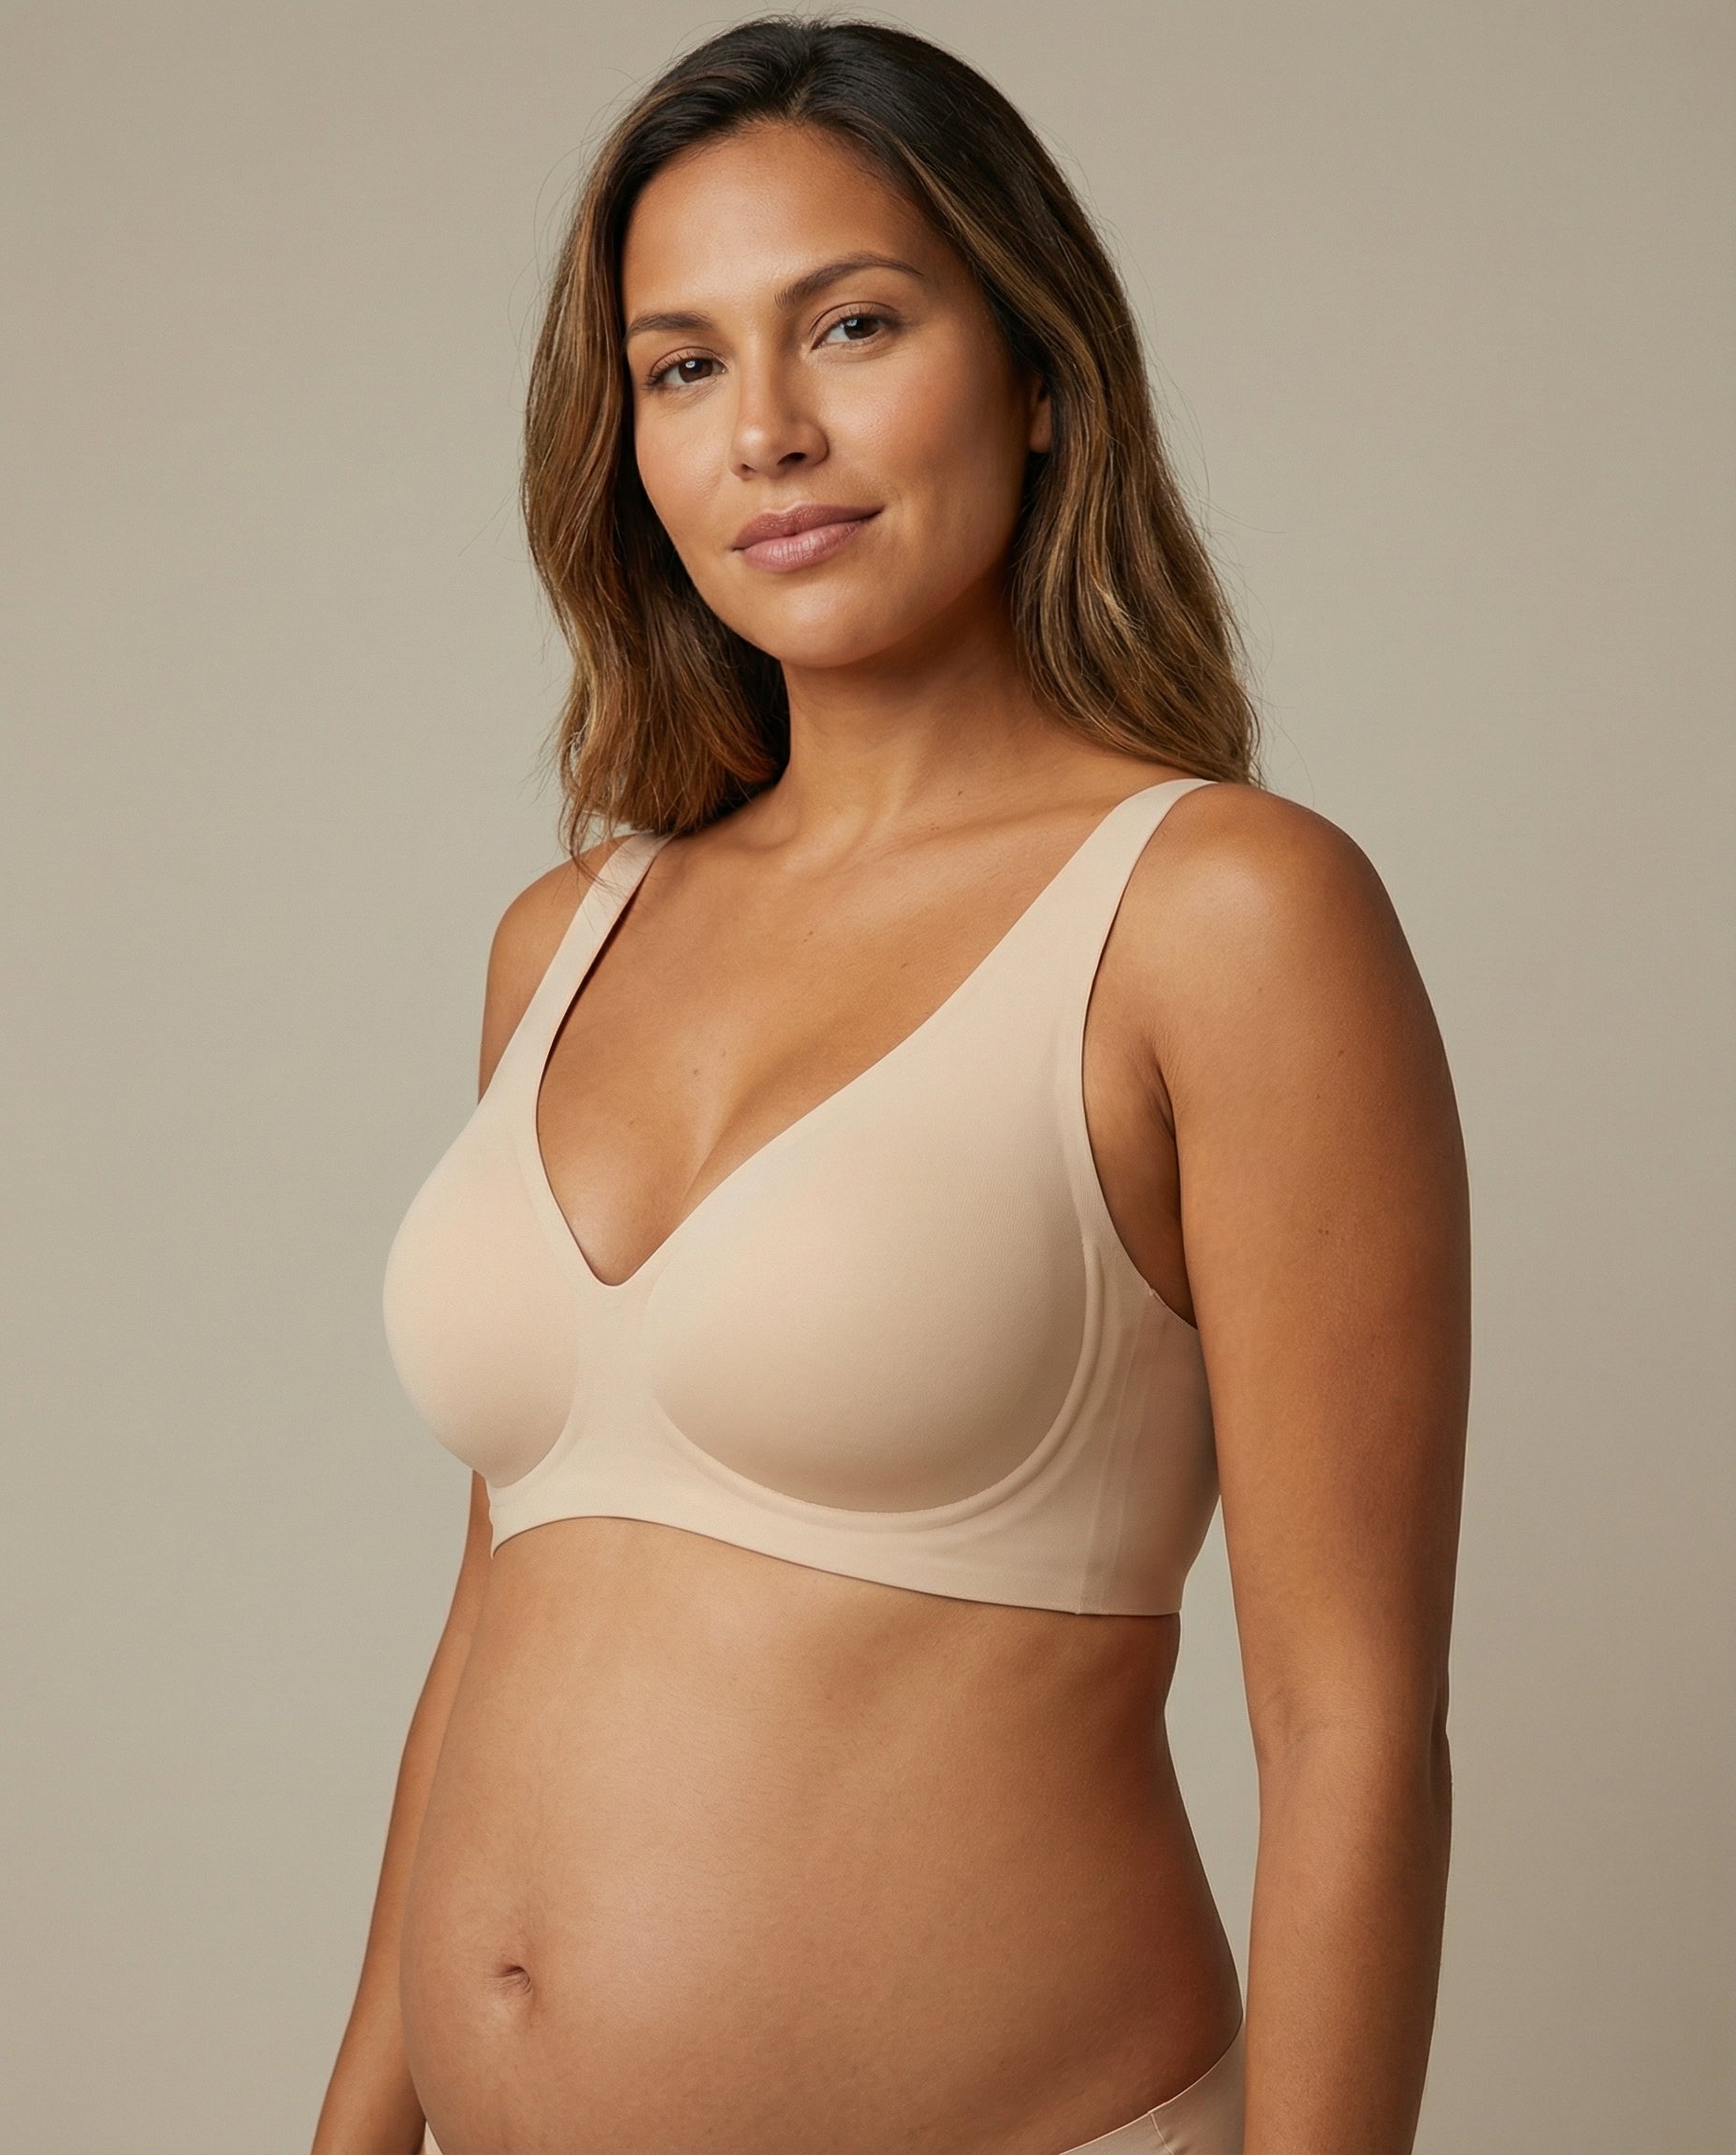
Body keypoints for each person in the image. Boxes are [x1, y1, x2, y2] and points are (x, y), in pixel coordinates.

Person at [311, 18, 1468, 2155]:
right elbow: (494, 1629)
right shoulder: (565, 936)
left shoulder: (1220, 912)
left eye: (849, 324)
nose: (767, 430)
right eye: (679, 365)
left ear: (1037, 374)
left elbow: (1349, 1728)